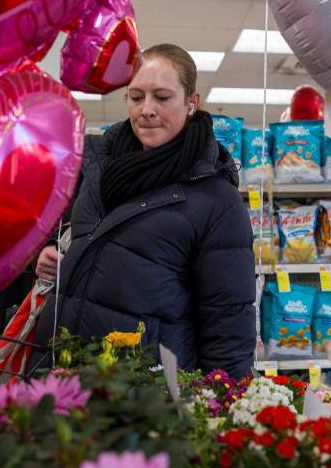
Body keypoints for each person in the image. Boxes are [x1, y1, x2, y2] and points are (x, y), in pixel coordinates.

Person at [30, 44, 256, 378]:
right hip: (62, 369)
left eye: (162, 98)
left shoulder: (216, 200)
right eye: (136, 97)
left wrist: (223, 402)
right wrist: (48, 250)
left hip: (144, 394)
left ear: (191, 103)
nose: (147, 109)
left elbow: (228, 320)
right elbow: (58, 225)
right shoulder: (99, 166)